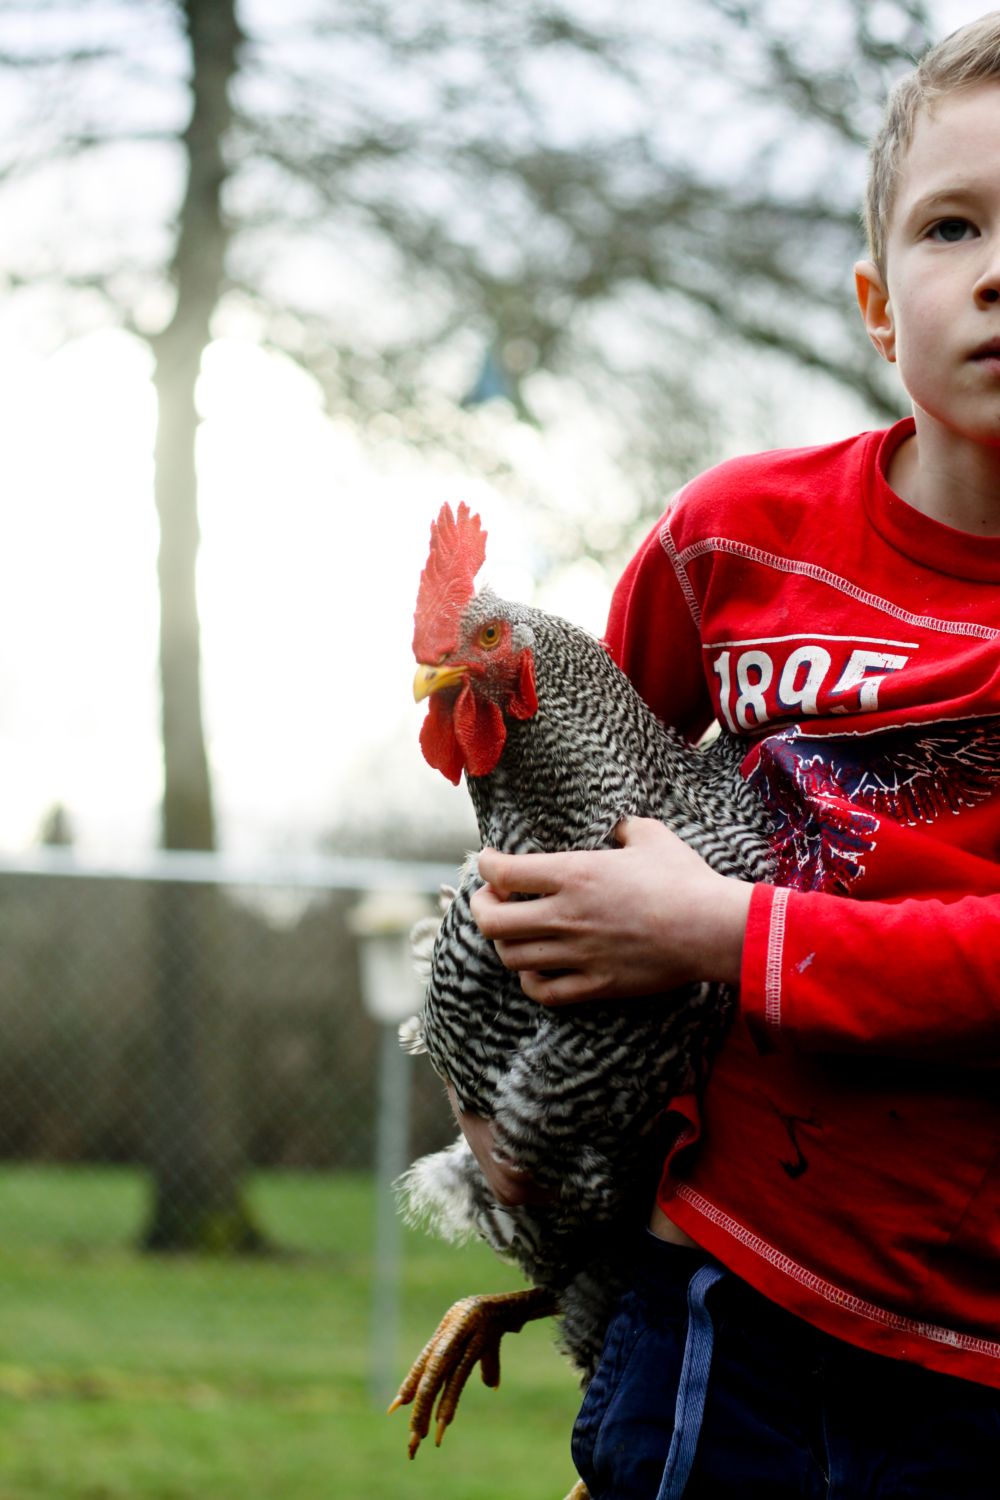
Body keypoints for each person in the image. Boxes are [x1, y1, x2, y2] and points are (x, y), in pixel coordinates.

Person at [456, 13, 1000, 1498]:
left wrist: (719, 931)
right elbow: (568, 807)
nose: (997, 270)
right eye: (954, 226)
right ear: (879, 306)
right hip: (719, 1290)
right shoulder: (738, 535)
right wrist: (500, 1074)